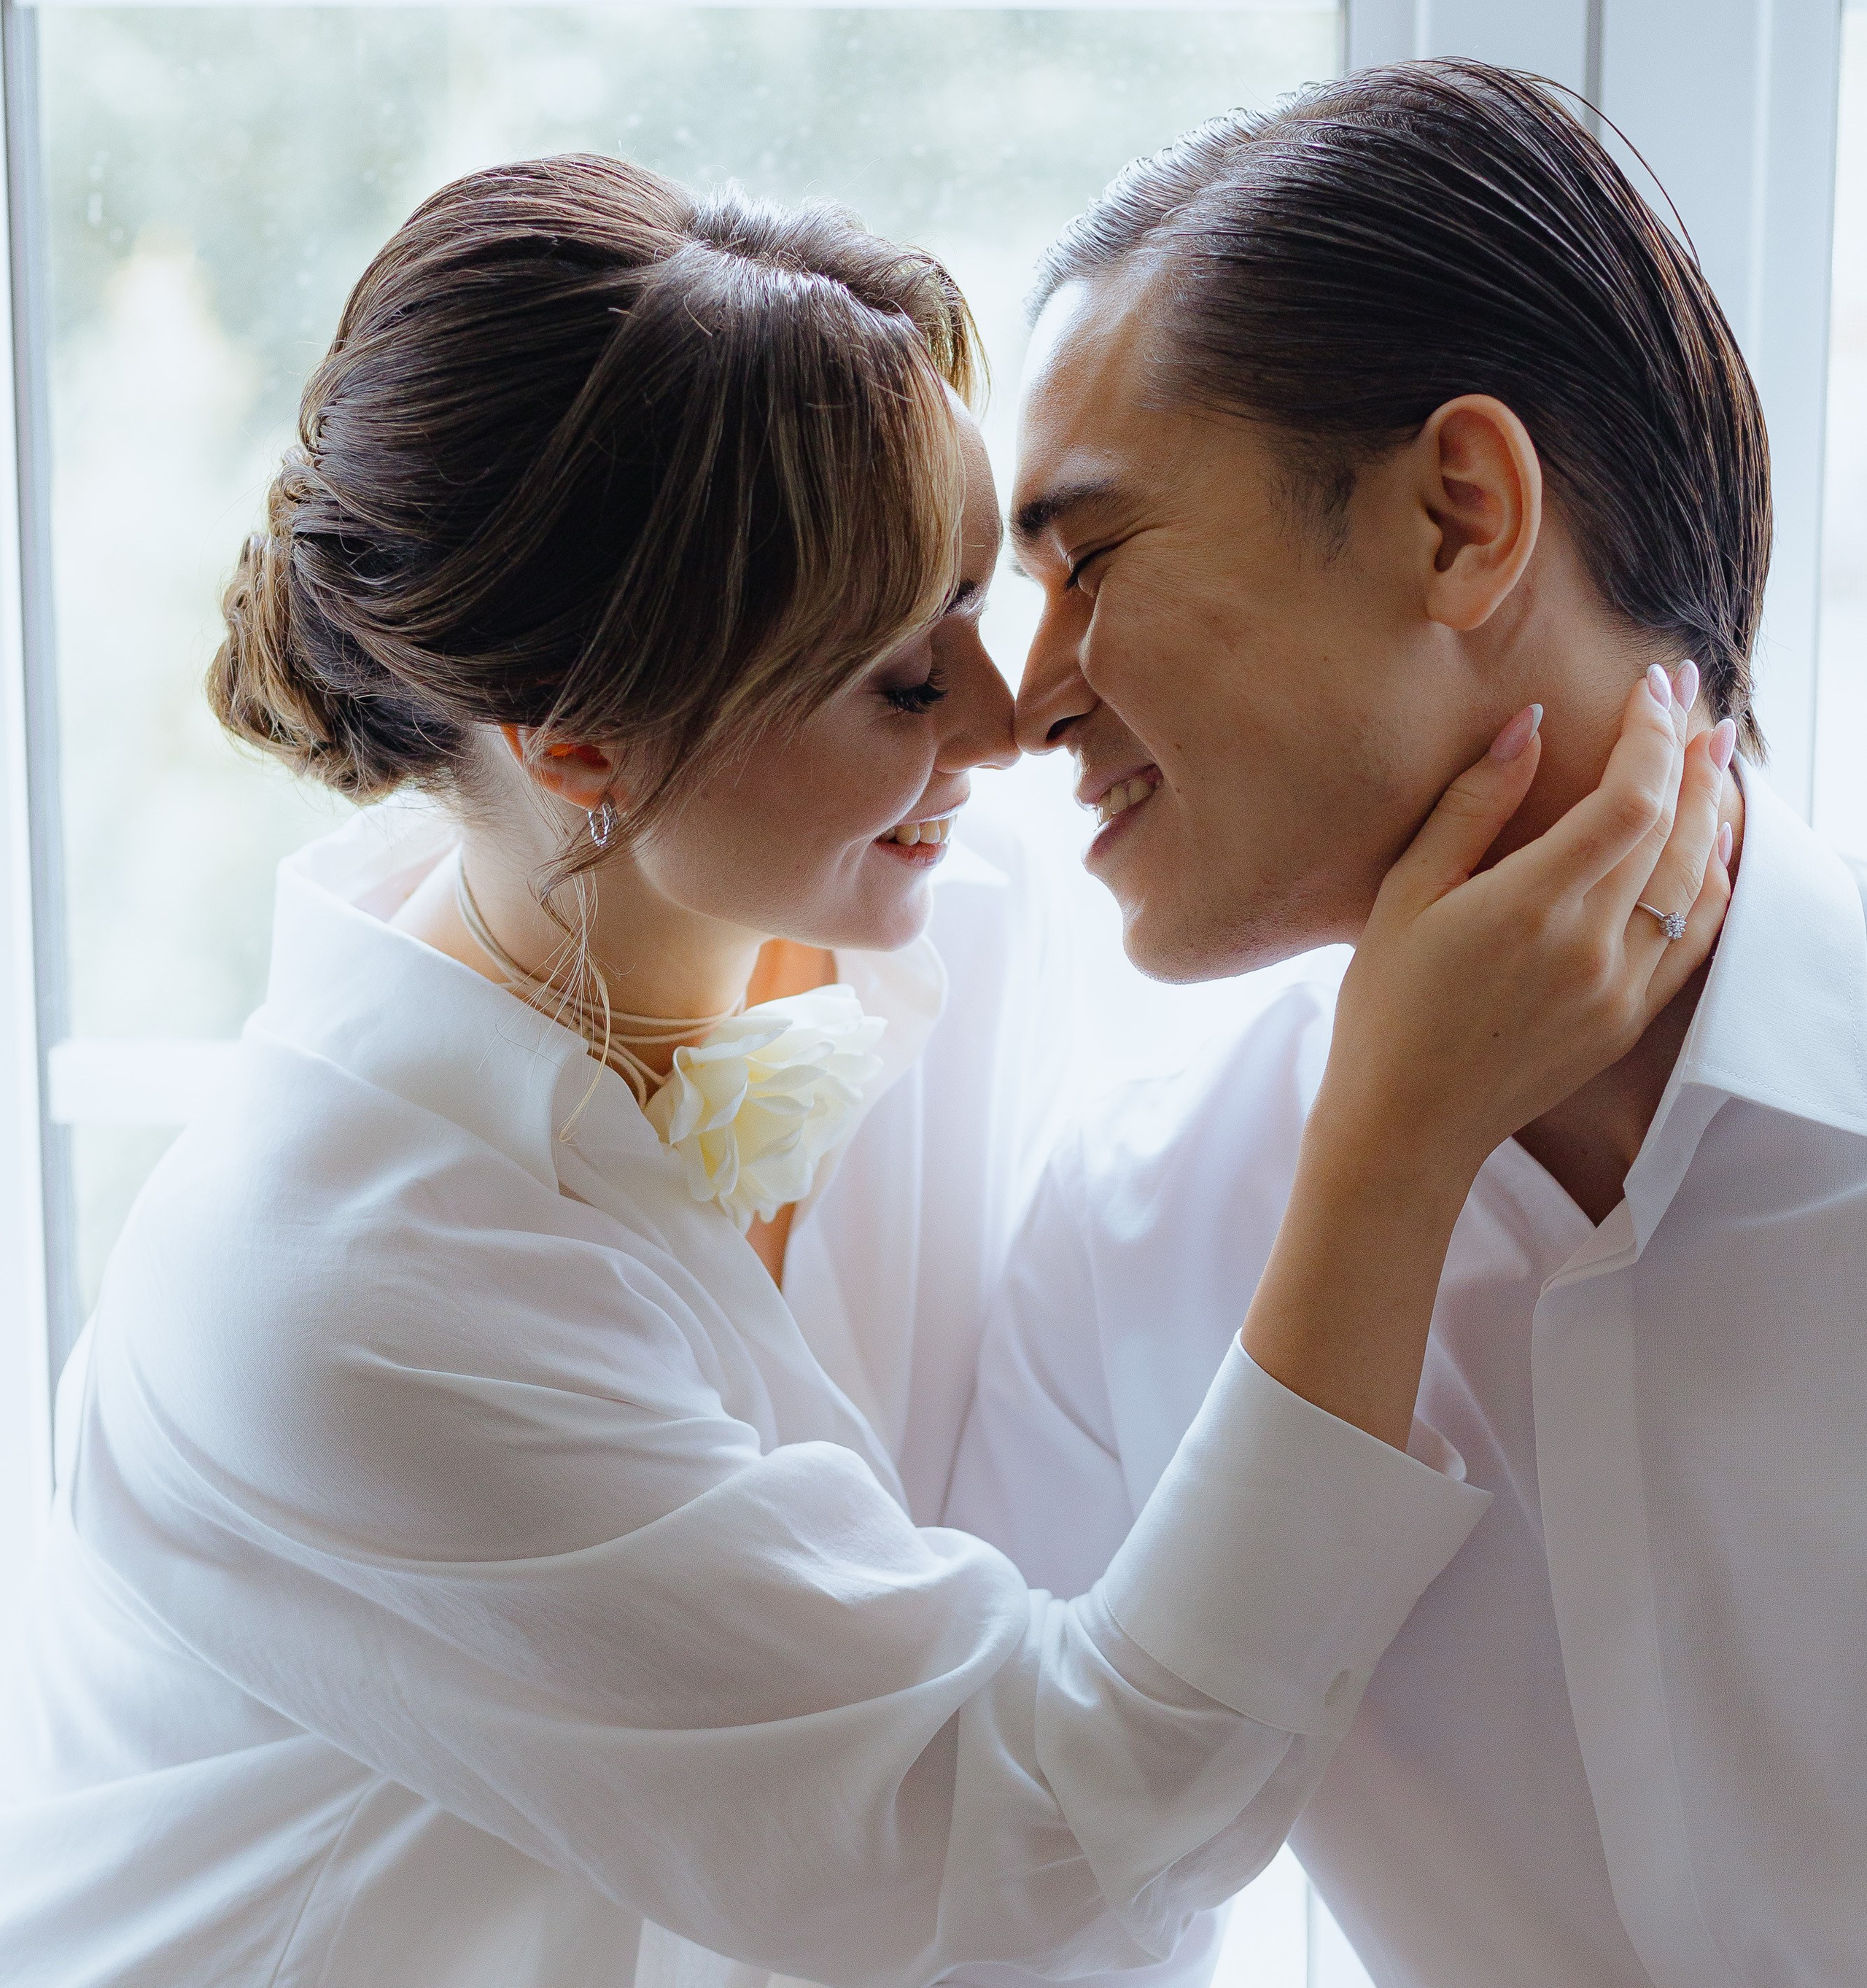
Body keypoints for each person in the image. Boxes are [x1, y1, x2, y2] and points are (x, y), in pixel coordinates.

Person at [0, 152, 1723, 1988]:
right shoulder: (332, 1300)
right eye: (900, 685)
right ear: (575, 745)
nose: (1008, 724)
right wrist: (1392, 1148)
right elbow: (1041, 1859)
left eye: (976, 606)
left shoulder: (952, 933)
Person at [950, 58, 1863, 1988]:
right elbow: (1016, 1935)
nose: (1023, 701)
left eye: (1088, 559)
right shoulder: (1122, 1241)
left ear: (1460, 517)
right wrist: (1384, 1170)